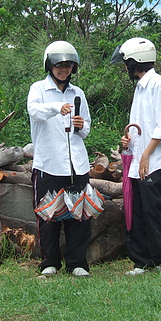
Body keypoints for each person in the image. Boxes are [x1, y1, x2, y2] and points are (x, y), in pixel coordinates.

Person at [112, 37, 161, 275]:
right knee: (137, 213)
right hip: (138, 161)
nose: (125, 67)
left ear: (135, 61)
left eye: (125, 63)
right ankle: (142, 261)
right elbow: (140, 126)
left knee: (154, 213)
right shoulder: (140, 88)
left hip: (154, 163)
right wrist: (128, 142)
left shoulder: (158, 84)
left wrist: (146, 155)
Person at [27, 41, 92, 277]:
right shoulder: (38, 89)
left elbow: (86, 127)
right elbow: (35, 111)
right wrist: (57, 107)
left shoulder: (78, 93)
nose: (63, 70)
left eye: (68, 65)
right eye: (58, 65)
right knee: (48, 214)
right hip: (49, 163)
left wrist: (80, 125)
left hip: (77, 163)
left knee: (79, 215)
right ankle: (49, 262)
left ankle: (77, 263)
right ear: (49, 65)